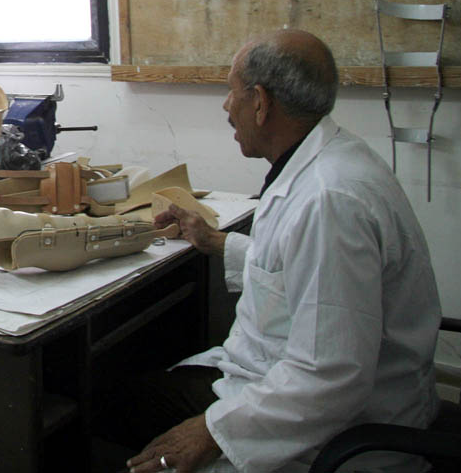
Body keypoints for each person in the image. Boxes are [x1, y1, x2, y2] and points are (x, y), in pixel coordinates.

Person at [115, 30, 441, 473]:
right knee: (134, 390)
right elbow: (304, 275)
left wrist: (212, 431)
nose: (227, 107)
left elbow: (330, 376)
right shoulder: (328, 161)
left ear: (261, 103)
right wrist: (216, 241)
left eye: (231, 92)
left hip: (336, 431)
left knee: (110, 404)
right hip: (282, 382)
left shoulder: (330, 200)